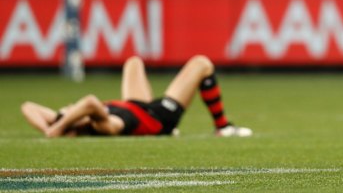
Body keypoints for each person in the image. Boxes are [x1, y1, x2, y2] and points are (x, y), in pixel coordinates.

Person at [21, 55, 252, 138]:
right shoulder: (103, 125)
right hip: (159, 117)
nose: (71, 106)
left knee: (133, 61)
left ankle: (222, 127)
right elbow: (90, 102)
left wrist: (52, 126)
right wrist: (60, 129)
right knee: (202, 64)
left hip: (138, 105)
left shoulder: (66, 118)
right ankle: (222, 127)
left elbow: (27, 106)